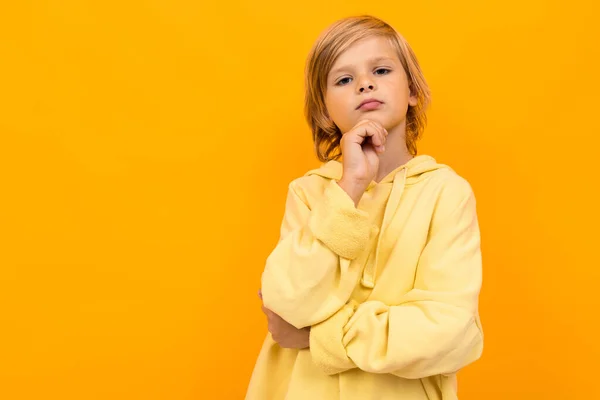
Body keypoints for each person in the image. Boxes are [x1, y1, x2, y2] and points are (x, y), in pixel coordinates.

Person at [245, 14, 483, 400]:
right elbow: (286, 305)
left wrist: (316, 337)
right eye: (343, 79)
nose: (365, 84)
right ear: (325, 111)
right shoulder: (308, 193)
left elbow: (450, 332)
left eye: (382, 69)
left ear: (413, 91)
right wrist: (350, 187)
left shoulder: (446, 192)